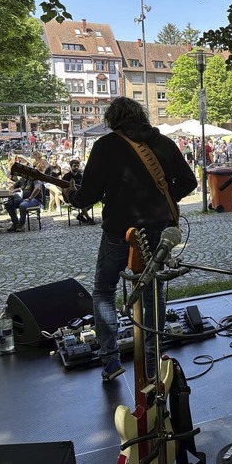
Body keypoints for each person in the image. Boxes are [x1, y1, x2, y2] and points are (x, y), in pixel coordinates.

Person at [62, 97, 197, 382]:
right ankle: (151, 360)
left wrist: (71, 196)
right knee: (153, 295)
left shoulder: (106, 146)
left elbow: (88, 196)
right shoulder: (163, 143)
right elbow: (189, 182)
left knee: (104, 292)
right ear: (141, 116)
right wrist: (164, 200)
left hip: (119, 231)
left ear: (113, 120)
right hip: (157, 231)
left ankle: (111, 362)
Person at [62, 159, 95, 224]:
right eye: (74, 166)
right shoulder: (66, 176)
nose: (76, 167)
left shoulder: (80, 176)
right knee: (82, 201)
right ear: (71, 167)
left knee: (91, 203)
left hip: (79, 195)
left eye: (78, 166)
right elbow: (64, 190)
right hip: (69, 197)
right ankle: (88, 218)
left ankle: (80, 215)